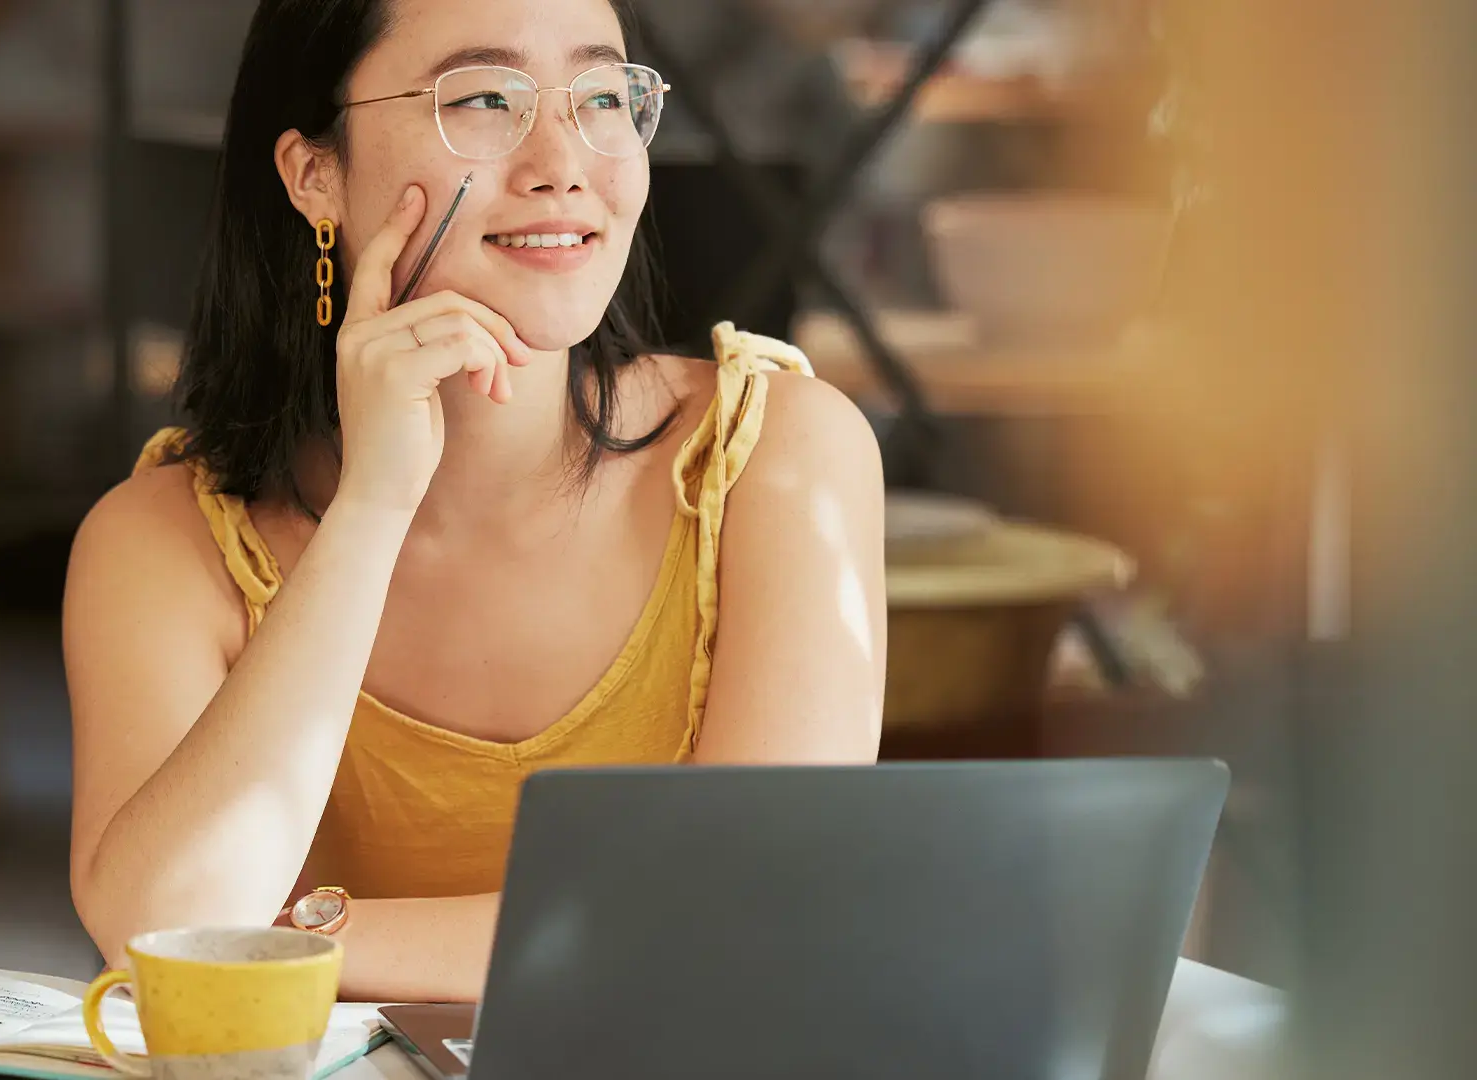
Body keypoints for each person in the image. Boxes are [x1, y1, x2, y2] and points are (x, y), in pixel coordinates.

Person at [64, 0, 886, 1004]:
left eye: (600, 96)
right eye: (485, 99)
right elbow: (153, 925)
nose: (562, 161)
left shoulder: (780, 457)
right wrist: (371, 506)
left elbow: (753, 921)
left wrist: (296, 939)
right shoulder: (164, 541)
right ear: (314, 173)